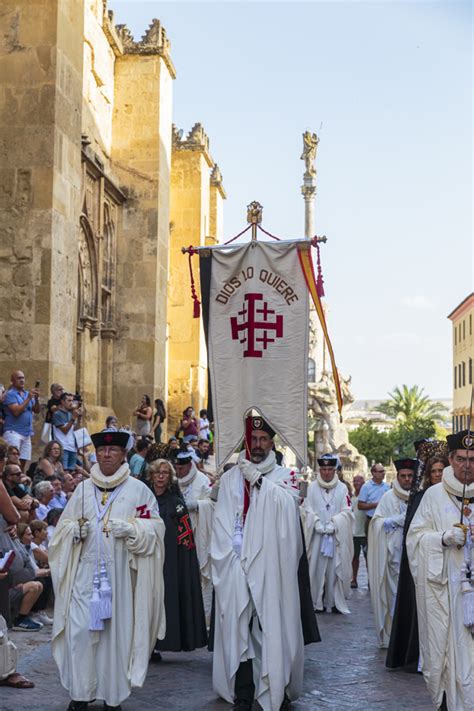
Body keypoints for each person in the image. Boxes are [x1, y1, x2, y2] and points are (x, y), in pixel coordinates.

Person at [49, 429, 166, 711]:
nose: (106, 455)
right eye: (102, 451)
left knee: (114, 639)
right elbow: (61, 530)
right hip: (84, 578)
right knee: (80, 635)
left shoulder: (139, 491)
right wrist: (73, 531)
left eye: (112, 451)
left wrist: (134, 529)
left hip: (119, 580)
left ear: (123, 454)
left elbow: (156, 528)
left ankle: (112, 696)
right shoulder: (83, 489)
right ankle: (80, 693)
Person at [211, 416, 319, 711]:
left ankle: (277, 688)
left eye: (262, 440)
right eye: (252, 439)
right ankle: (244, 693)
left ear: (272, 442)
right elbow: (220, 522)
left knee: (274, 627)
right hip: (235, 567)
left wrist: (258, 482)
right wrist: (231, 561)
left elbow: (289, 511)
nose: (257, 446)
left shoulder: (285, 477)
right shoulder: (232, 478)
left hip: (273, 569)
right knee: (241, 630)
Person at [407, 429, 474, 710]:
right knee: (449, 653)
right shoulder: (434, 496)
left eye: (472, 459)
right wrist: (443, 538)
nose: (467, 465)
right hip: (445, 593)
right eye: (460, 459)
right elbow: (414, 540)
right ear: (450, 459)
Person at [386, 447, 448, 672]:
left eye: (442, 471)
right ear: (428, 475)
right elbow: (414, 537)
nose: (438, 475)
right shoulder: (422, 498)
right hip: (429, 568)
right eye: (434, 472)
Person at [148, 459, 207, 656]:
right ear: (152, 475)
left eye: (165, 473)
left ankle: (160, 643)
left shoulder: (177, 504)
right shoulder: (144, 499)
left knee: (165, 599)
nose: (161, 476)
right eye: (158, 473)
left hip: (170, 561)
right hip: (146, 556)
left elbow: (185, 536)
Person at [367, 458, 416, 648]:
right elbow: (377, 523)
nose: (406, 480)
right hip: (393, 557)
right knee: (394, 597)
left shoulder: (420, 496)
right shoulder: (388, 497)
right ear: (397, 477)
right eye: (403, 476)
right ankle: (395, 636)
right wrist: (397, 520)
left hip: (413, 555)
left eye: (410, 476)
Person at [303, 453, 354, 613]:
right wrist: (316, 522)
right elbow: (306, 509)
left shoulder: (342, 488)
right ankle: (316, 602)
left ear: (335, 470)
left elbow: (347, 511)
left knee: (334, 570)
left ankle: (333, 602)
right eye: (323, 469)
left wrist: (335, 523)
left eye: (330, 469)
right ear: (319, 470)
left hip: (335, 536)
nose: (326, 472)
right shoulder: (311, 487)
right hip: (316, 537)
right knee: (315, 569)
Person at [3, 371, 40, 470]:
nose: (22, 380)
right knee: (12, 461)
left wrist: (36, 399)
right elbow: (16, 412)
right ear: (12, 381)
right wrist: (28, 399)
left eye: (23, 378)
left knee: (22, 462)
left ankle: (19, 482)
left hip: (26, 433)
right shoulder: (10, 395)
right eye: (19, 378)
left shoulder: (27, 393)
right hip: (13, 431)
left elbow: (36, 410)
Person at [357, 463, 390, 542]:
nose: (383, 473)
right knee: (371, 546)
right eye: (381, 471)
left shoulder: (387, 486)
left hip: (385, 520)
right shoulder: (366, 487)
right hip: (371, 520)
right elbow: (360, 506)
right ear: (373, 473)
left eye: (383, 471)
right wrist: (375, 505)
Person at [51, 393, 83, 471]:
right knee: (64, 471)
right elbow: (65, 430)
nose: (71, 403)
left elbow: (75, 430)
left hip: (72, 448)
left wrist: (79, 419)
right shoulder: (57, 414)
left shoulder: (70, 414)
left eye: (72, 401)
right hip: (63, 447)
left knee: (71, 472)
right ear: (62, 401)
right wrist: (73, 418)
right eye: (69, 400)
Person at [351, 474, 367, 589]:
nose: (356, 483)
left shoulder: (367, 497)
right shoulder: (351, 497)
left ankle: (371, 579)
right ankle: (354, 579)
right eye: (354, 481)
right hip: (354, 532)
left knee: (368, 557)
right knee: (354, 557)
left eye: (358, 481)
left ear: (363, 483)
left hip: (365, 533)